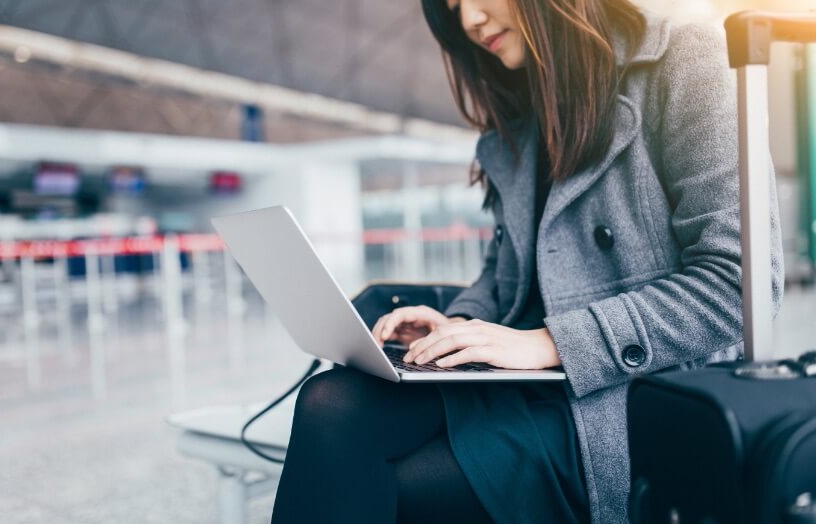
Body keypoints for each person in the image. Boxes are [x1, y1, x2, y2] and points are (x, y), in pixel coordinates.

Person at [271, 0, 785, 522]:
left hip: (630, 401)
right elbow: (506, 273)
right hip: (522, 383)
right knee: (331, 401)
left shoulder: (684, 60)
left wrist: (550, 343)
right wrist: (458, 324)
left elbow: (740, 282)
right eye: (453, 7)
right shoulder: (522, 110)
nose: (469, 21)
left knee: (389, 482)